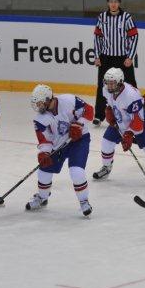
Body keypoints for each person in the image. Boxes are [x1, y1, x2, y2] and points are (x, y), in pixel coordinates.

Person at [92, 68, 145, 188]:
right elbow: (111, 102)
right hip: (122, 117)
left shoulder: (131, 95)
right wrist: (109, 110)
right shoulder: (106, 89)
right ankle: (106, 167)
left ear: (120, 82)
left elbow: (138, 122)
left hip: (143, 118)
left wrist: (128, 134)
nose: (109, 86)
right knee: (107, 142)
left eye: (112, 83)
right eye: (107, 82)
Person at [27, 84, 94, 217]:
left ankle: (84, 201)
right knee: (43, 171)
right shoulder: (39, 119)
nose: (38, 107)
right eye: (36, 104)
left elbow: (89, 110)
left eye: (40, 103)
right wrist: (45, 153)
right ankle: (42, 197)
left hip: (79, 140)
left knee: (76, 171)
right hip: (58, 146)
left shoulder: (68, 100)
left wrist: (79, 124)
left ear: (48, 99)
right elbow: (44, 140)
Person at [93, 0, 139, 126]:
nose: (113, 4)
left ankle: (137, 111)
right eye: (111, 1)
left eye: (116, 2)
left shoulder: (126, 17)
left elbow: (134, 36)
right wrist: (97, 56)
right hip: (106, 58)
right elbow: (97, 37)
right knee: (102, 86)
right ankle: (99, 115)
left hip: (123, 58)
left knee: (131, 85)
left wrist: (130, 56)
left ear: (119, 3)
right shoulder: (102, 17)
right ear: (108, 3)